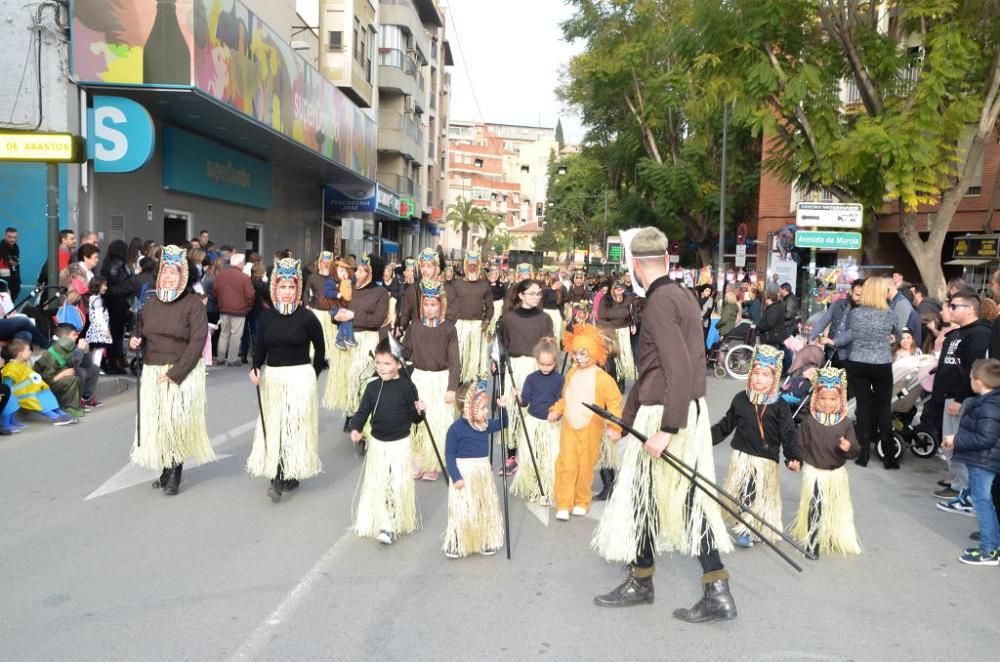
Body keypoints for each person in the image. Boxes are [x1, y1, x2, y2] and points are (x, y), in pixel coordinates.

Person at [592, 227, 735, 621]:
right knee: (674, 499)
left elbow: (678, 366)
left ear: (636, 266)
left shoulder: (657, 303)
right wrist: (627, 417)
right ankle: (710, 587)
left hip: (670, 412)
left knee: (654, 498)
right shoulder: (682, 295)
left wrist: (667, 428)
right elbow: (658, 368)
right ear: (666, 261)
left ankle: (650, 582)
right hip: (680, 406)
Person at [128, 246, 214, 496]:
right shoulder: (151, 303)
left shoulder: (194, 305)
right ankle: (165, 467)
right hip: (153, 369)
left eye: (174, 273)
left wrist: (177, 373)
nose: (168, 277)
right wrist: (135, 339)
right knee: (158, 422)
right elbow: (141, 329)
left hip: (182, 371)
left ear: (183, 276)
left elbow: (198, 342)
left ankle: (175, 470)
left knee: (176, 422)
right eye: (165, 272)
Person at [246, 258, 326, 503]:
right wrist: (255, 368)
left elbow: (320, 350)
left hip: (300, 377)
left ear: (298, 289)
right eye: (283, 287)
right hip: (273, 378)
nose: (287, 292)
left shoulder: (308, 318)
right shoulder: (266, 318)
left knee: (294, 424)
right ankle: (280, 473)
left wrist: (312, 374)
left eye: (292, 287)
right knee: (276, 424)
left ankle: (284, 474)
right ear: (275, 289)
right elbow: (259, 348)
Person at [711, 345, 800, 548]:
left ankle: (753, 527)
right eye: (756, 373)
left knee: (759, 496)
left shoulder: (780, 406)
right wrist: (706, 439)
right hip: (742, 457)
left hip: (765, 461)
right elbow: (725, 425)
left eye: (766, 375)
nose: (760, 379)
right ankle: (746, 528)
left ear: (774, 378)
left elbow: (788, 433)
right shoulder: (741, 400)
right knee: (746, 491)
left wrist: (793, 457)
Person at [350, 338, 426, 545]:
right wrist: (356, 428)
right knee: (381, 484)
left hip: (400, 445)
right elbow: (362, 411)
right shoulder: (373, 388)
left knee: (398, 484)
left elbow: (416, 418)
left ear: (399, 364)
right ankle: (386, 525)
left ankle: (396, 518)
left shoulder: (407, 386)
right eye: (378, 363)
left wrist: (421, 411)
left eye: (386, 364)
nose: (381, 368)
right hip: (378, 445)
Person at [822, 276, 900, 469]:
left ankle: (862, 455)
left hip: (858, 362)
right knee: (883, 408)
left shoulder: (855, 314)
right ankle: (889, 457)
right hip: (881, 363)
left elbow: (852, 335)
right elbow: (897, 335)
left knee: (863, 408)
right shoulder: (890, 314)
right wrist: (889, 340)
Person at [548, 324, 622, 521]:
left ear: (595, 353)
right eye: (575, 353)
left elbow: (614, 404)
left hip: (591, 428)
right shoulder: (570, 374)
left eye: (583, 353)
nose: (578, 358)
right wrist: (557, 410)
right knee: (566, 464)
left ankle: (581, 501)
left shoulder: (604, 379)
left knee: (585, 467)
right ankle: (563, 503)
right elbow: (566, 397)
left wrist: (615, 428)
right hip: (569, 428)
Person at [792, 367, 862, 558]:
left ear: (840, 399)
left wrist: (849, 448)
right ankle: (812, 541)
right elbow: (800, 445)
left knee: (832, 505)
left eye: (833, 399)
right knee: (815, 504)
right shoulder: (809, 422)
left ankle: (831, 534)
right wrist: (796, 460)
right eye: (823, 398)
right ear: (816, 398)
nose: (828, 403)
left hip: (835, 474)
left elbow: (855, 450)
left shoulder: (846, 423)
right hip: (814, 471)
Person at [934, 288, 993, 515]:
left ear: (969, 309)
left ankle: (967, 492)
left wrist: (959, 398)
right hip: (949, 395)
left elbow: (973, 369)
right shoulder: (958, 332)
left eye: (954, 306)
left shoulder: (979, 334)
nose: (949, 309)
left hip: (963, 399)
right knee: (950, 446)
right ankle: (959, 486)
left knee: (959, 445)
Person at [941, 359, 1000, 566]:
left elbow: (986, 438)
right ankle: (993, 545)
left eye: (970, 378)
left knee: (982, 503)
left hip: (983, 461)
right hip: (986, 459)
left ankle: (988, 550)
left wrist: (955, 440)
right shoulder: (991, 402)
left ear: (979, 381)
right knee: (987, 502)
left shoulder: (988, 406)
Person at [443, 379, 508, 558]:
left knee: (482, 506)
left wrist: (502, 408)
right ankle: (456, 541)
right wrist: (455, 477)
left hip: (481, 472)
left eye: (487, 407)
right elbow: (449, 455)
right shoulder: (455, 430)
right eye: (482, 408)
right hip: (464, 472)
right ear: (468, 409)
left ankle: (484, 539)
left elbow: (503, 424)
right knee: (462, 508)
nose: (487, 411)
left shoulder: (484, 425)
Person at [402, 280, 460, 481]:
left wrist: (452, 387)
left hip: (440, 380)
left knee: (436, 421)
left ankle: (433, 463)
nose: (429, 308)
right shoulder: (415, 326)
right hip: (419, 378)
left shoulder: (449, 329)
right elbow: (406, 350)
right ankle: (417, 459)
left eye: (433, 304)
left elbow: (454, 361)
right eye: (426, 304)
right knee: (417, 420)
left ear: (441, 304)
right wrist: (393, 352)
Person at [497, 278, 554, 477]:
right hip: (515, 367)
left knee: (535, 412)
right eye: (532, 293)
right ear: (521, 295)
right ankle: (512, 456)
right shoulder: (508, 318)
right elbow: (502, 345)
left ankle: (534, 457)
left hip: (536, 367)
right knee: (513, 413)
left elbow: (549, 346)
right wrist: (498, 364)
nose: (536, 297)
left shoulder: (545, 319)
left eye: (539, 294)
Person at [323, 256, 390, 418]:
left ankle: (361, 414)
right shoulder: (348, 287)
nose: (357, 274)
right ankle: (350, 414)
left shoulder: (380, 293)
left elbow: (377, 320)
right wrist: (336, 315)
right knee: (346, 379)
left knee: (359, 377)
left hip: (366, 340)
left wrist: (351, 316)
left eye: (362, 270)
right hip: (346, 338)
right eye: (357, 269)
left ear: (372, 273)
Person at [511, 338, 564, 506]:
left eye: (549, 364)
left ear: (555, 362)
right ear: (537, 361)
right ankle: (534, 487)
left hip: (551, 426)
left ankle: (547, 490)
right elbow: (525, 402)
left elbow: (562, 401)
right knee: (533, 457)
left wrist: (557, 413)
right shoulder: (531, 379)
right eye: (542, 364)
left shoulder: (560, 380)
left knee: (549, 458)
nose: (545, 368)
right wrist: (518, 396)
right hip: (533, 422)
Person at [1, 338, 76, 425]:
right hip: (24, 394)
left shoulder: (22, 363)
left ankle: (61, 413)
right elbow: (7, 386)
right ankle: (55, 417)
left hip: (34, 389)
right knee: (38, 401)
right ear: (20, 354)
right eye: (28, 350)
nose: (30, 352)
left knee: (47, 396)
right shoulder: (11, 368)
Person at [450, 250, 493, 384]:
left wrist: (486, 321)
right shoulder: (456, 284)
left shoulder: (485, 285)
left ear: (479, 266)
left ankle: (472, 386)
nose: (472, 267)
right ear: (465, 266)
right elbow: (450, 305)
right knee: (459, 356)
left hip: (477, 326)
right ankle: (457, 383)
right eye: (470, 264)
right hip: (460, 325)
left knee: (475, 360)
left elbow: (490, 307)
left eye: (475, 265)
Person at [31, 331, 87, 419]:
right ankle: (67, 407)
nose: (70, 354)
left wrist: (82, 350)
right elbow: (47, 380)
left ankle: (74, 406)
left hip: (52, 379)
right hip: (42, 387)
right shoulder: (51, 358)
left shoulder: (60, 355)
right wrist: (63, 374)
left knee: (77, 378)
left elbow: (72, 364)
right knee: (71, 380)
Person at [808, 279, 863, 367]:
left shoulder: (864, 312)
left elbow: (853, 332)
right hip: (831, 352)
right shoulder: (838, 304)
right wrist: (811, 338)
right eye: (857, 295)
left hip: (849, 355)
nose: (859, 298)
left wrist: (834, 341)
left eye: (862, 295)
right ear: (851, 292)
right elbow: (823, 321)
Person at [213, 253, 255, 366]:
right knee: (235, 334)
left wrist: (221, 301)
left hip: (223, 308)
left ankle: (220, 357)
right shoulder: (244, 277)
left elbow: (215, 291)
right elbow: (250, 295)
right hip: (239, 310)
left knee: (224, 333)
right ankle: (232, 359)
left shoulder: (220, 275)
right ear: (240, 264)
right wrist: (248, 307)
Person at [597, 278, 638, 384]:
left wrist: (633, 324)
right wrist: (602, 332)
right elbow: (601, 317)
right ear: (613, 290)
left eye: (622, 289)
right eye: (618, 289)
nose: (620, 291)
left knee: (623, 357)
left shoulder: (629, 299)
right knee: (613, 357)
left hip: (624, 330)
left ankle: (622, 380)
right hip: (610, 331)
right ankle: (615, 379)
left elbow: (633, 313)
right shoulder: (606, 300)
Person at [327, 259, 357, 351]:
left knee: (344, 322)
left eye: (345, 271)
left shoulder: (346, 280)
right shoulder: (331, 281)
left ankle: (340, 340)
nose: (344, 273)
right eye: (341, 271)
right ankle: (348, 338)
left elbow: (353, 280)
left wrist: (349, 274)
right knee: (347, 320)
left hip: (342, 306)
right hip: (334, 307)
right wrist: (336, 294)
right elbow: (327, 292)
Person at [0, 227, 22, 300]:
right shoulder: (1, 248)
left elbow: (16, 267)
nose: (12, 239)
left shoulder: (16, 248)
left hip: (14, 284)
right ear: (5, 236)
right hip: (2, 285)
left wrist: (17, 283)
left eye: (14, 237)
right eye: (10, 237)